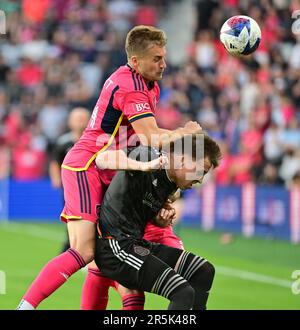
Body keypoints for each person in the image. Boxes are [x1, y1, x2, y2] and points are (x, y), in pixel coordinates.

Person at [17, 25, 202, 310]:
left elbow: (141, 141)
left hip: (113, 170)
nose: (164, 64)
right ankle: (25, 307)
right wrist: (184, 132)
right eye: (157, 58)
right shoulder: (131, 87)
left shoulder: (148, 84)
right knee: (84, 250)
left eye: (163, 57)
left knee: (109, 257)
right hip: (88, 164)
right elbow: (151, 137)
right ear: (136, 61)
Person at [94, 133, 222, 309]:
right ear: (183, 160)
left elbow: (142, 208)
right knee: (182, 292)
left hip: (136, 243)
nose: (200, 179)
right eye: (201, 171)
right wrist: (143, 165)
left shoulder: (171, 184)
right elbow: (102, 159)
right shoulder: (151, 156)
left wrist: (159, 219)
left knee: (204, 271)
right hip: (114, 246)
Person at [49, 107, 90, 253]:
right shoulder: (63, 142)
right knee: (72, 219)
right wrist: (55, 179)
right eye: (77, 118)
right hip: (71, 189)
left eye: (83, 118)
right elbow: (55, 161)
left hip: (92, 188)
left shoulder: (96, 140)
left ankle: (76, 251)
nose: (81, 122)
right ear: (70, 122)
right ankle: (71, 249)